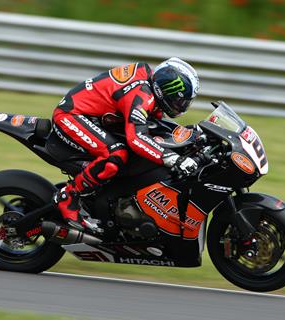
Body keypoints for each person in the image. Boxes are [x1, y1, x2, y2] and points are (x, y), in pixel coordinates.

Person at [52, 57, 200, 231]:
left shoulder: (149, 87)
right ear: (164, 91)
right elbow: (136, 138)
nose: (181, 106)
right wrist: (172, 158)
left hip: (97, 118)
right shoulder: (140, 95)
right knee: (116, 154)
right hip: (71, 116)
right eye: (179, 100)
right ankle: (69, 196)